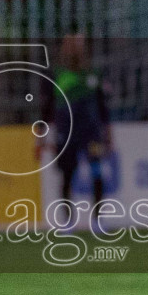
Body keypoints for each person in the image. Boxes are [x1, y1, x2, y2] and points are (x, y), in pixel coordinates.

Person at [45, 33, 113, 220]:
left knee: (97, 173)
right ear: (64, 47)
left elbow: (103, 109)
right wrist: (44, 137)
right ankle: (67, 221)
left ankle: (97, 219)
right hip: (66, 134)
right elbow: (47, 109)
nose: (75, 47)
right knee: (67, 176)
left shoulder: (94, 75)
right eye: (71, 43)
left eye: (79, 43)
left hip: (91, 134)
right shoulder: (57, 75)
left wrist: (108, 135)